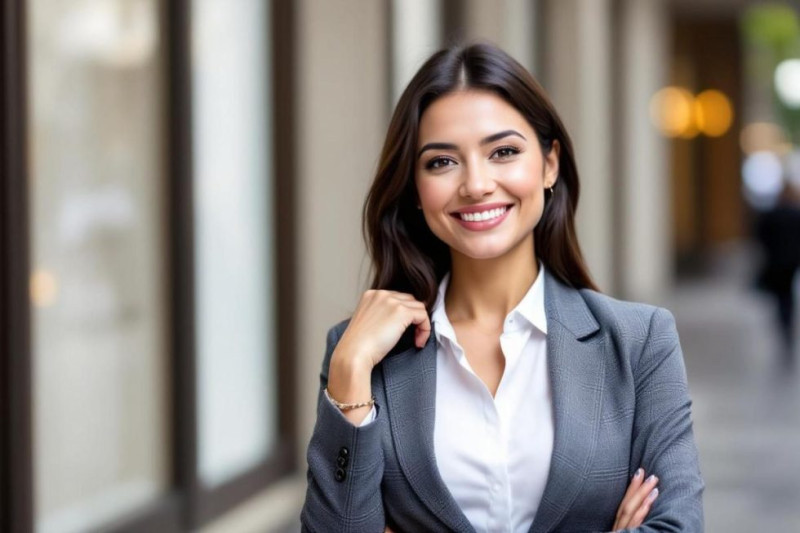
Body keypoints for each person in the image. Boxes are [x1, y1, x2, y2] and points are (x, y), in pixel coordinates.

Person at [301, 43, 704, 533]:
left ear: (549, 164)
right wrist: (349, 369)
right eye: (441, 162)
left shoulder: (640, 341)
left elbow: (677, 526)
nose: (476, 184)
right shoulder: (361, 354)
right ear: (413, 187)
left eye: (504, 152)